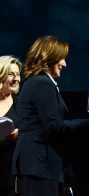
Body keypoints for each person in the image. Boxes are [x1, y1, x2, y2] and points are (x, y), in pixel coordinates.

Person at [12, 36, 89, 196]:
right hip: (39, 167)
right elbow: (55, 127)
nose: (64, 64)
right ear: (49, 57)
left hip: (39, 166)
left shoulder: (37, 82)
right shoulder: (41, 83)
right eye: (61, 58)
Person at [0, 55, 22, 196]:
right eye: (10, 74)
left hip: (11, 176)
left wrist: (22, 133)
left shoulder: (22, 104)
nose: (16, 79)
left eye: (18, 74)